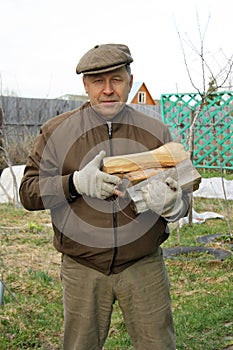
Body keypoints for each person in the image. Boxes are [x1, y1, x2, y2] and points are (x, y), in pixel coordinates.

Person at [19, 43, 190, 350]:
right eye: (98, 81)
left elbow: (185, 189)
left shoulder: (155, 131)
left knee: (159, 345)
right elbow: (28, 193)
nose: (108, 90)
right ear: (85, 85)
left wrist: (176, 205)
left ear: (130, 80)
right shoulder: (56, 131)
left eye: (117, 79)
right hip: (82, 267)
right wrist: (74, 183)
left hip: (143, 264)